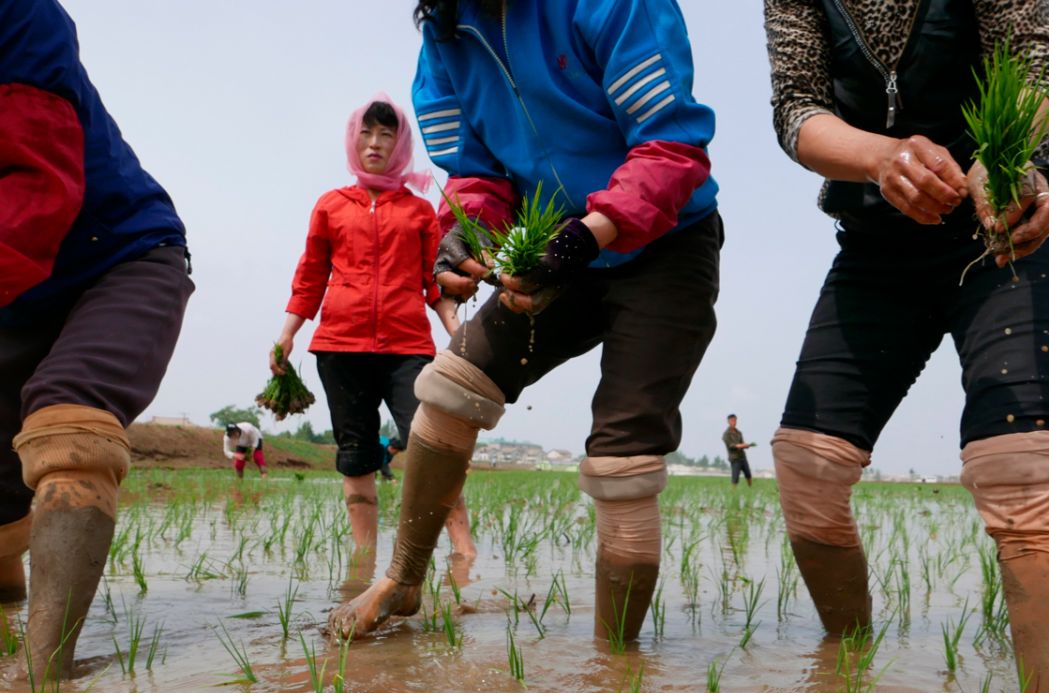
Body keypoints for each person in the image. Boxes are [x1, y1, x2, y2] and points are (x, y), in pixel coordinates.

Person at [329, 0, 721, 643]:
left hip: (665, 243)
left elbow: (670, 145)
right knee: (449, 388)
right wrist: (467, 236)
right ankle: (401, 579)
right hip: (550, 246)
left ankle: (613, 667)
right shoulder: (446, 36)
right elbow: (477, 171)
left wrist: (584, 239)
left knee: (623, 460)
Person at [764, 0, 1049, 693]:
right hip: (879, 240)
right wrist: (883, 158)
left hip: (1007, 218)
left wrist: (1001, 164)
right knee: (808, 468)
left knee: (1022, 473)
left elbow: (1036, 65)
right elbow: (797, 108)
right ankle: (843, 684)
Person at [0, 0, 192, 679]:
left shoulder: (17, 15)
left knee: (68, 426)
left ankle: (43, 681)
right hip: (12, 296)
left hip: (117, 255)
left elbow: (37, 187)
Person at [271, 94, 474, 557]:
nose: (375, 143)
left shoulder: (420, 211)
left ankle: (465, 554)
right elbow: (310, 277)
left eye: (387, 134)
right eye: (367, 133)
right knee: (356, 455)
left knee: (434, 446)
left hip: (408, 347)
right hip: (340, 348)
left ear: (400, 144)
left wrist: (458, 335)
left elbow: (434, 282)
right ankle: (363, 562)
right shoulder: (331, 206)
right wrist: (287, 334)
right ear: (353, 140)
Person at [723, 414, 753, 487]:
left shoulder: (739, 433)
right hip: (735, 458)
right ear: (728, 421)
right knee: (735, 477)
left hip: (742, 456)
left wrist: (747, 446)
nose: (734, 422)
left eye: (735, 420)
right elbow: (731, 445)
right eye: (732, 420)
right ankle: (733, 493)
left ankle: (751, 488)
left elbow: (742, 443)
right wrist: (742, 445)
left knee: (748, 474)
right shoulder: (726, 434)